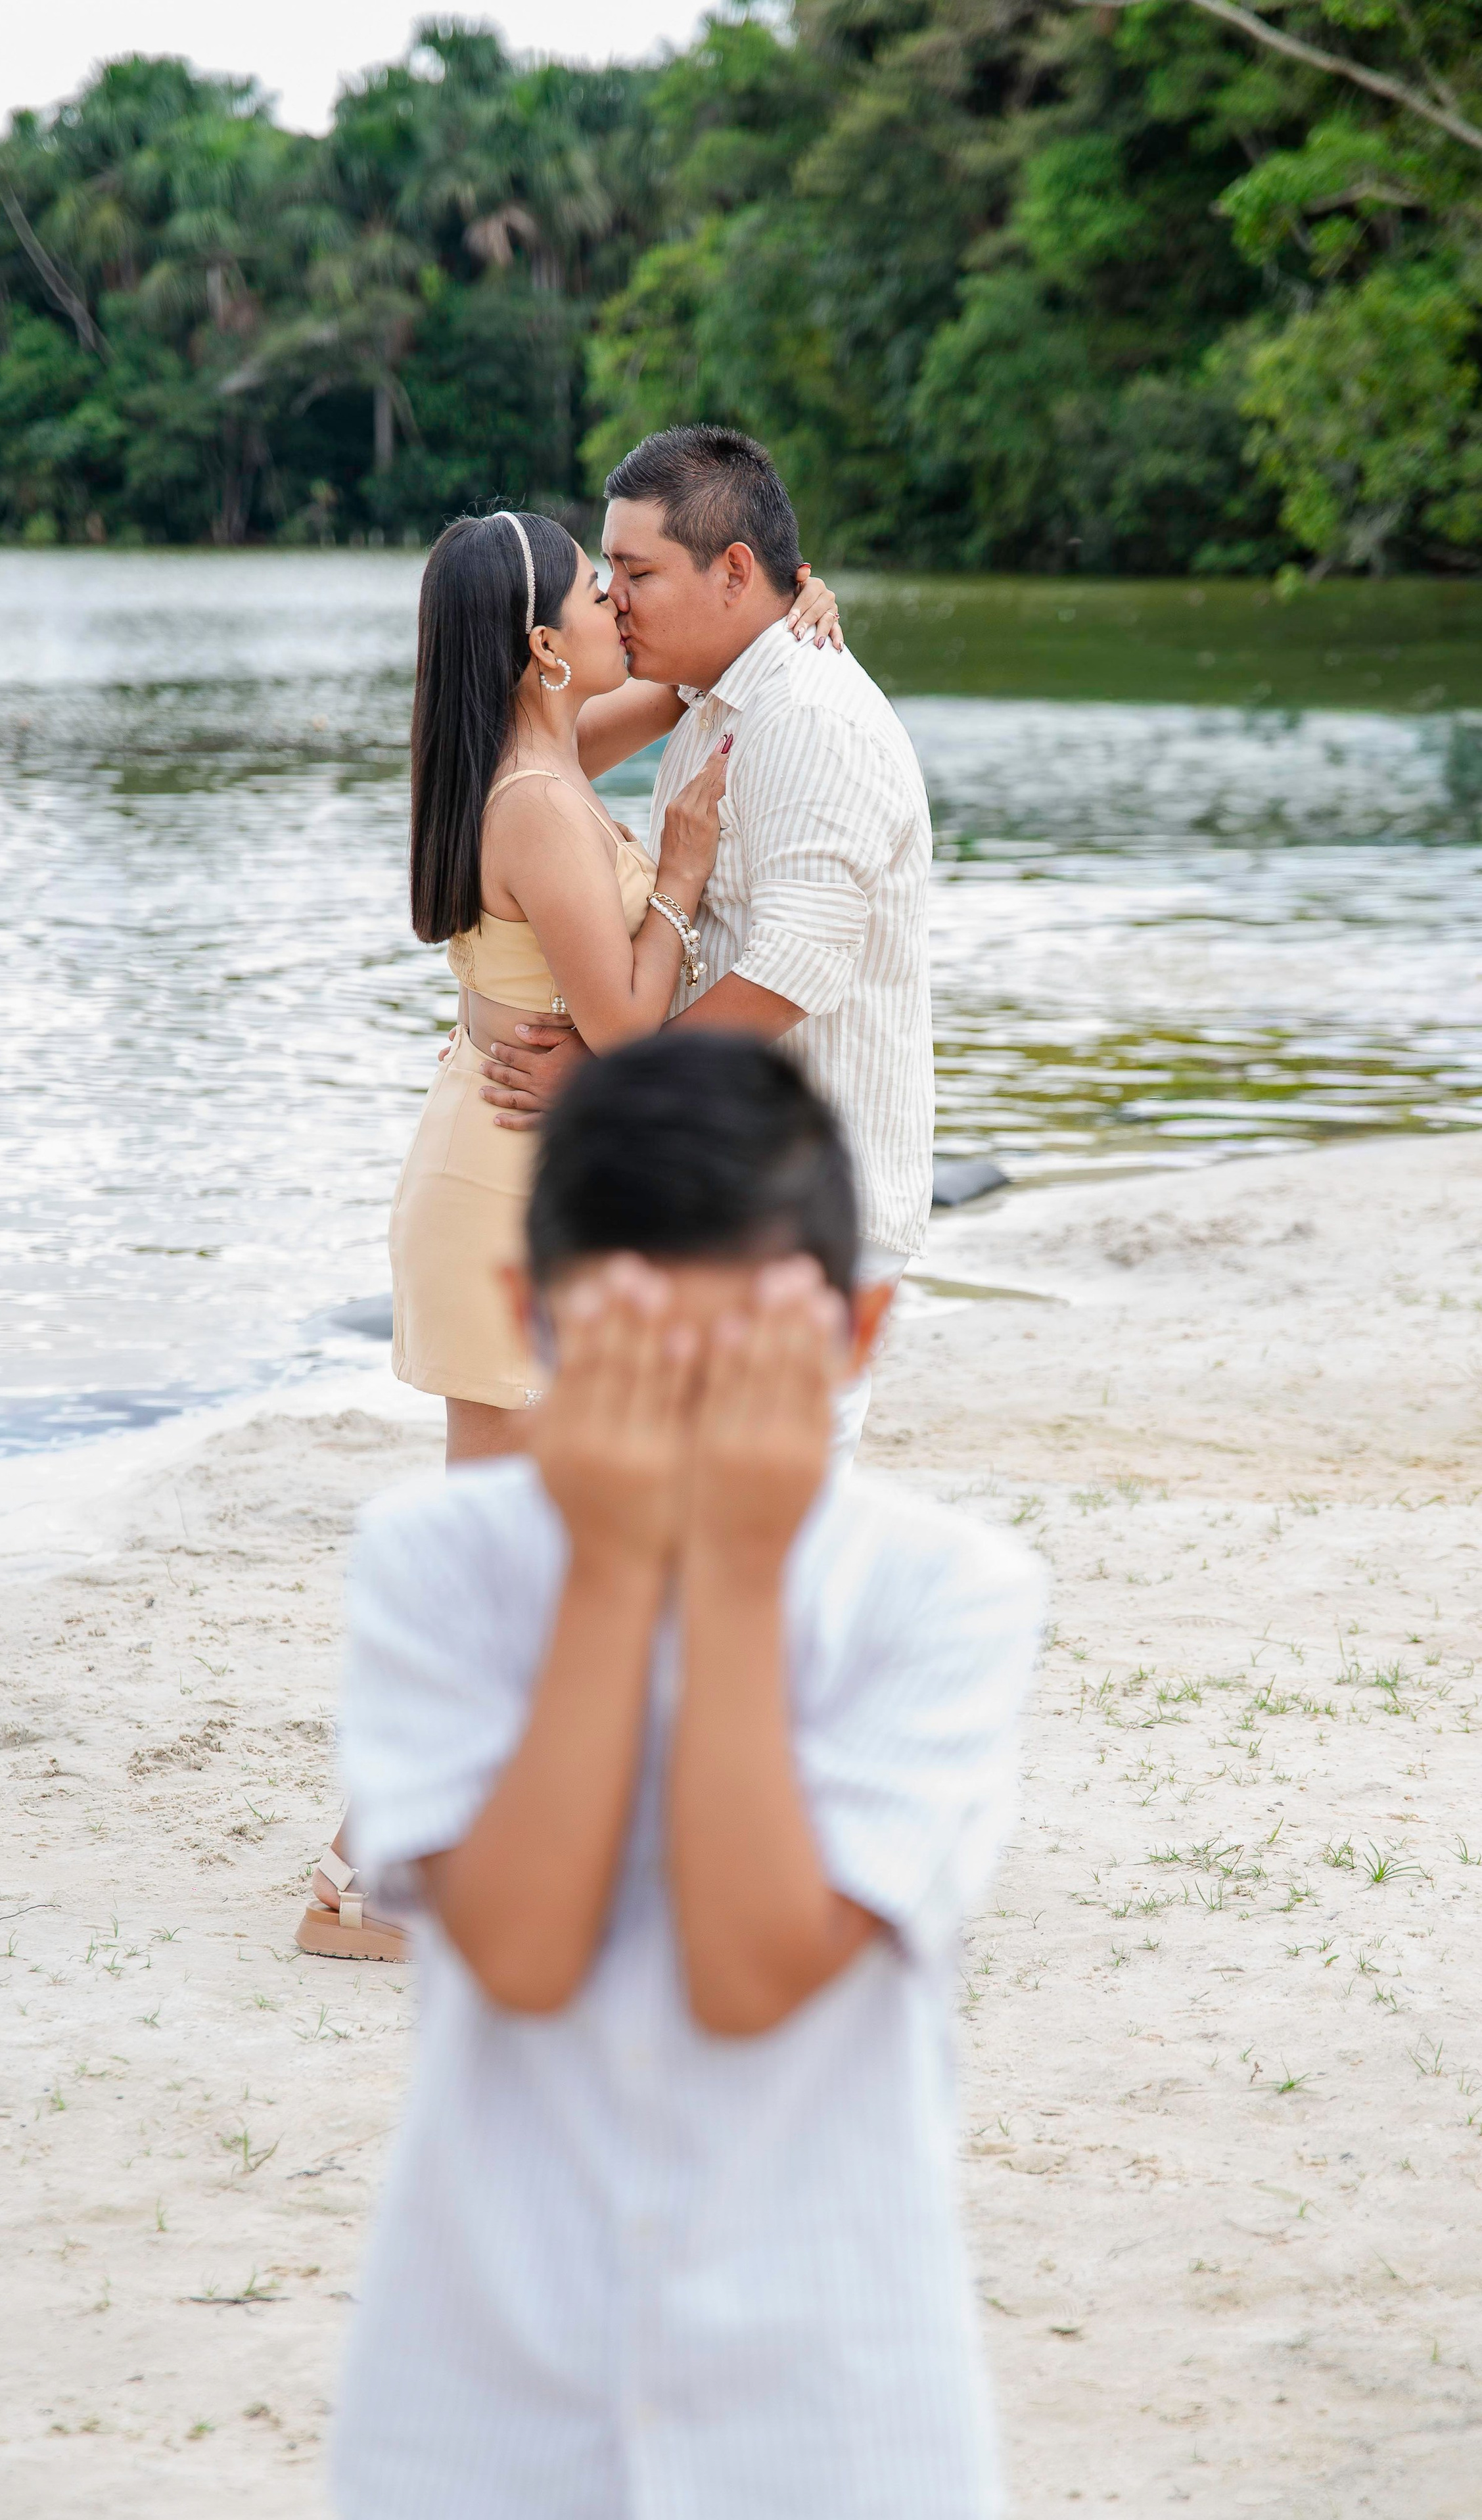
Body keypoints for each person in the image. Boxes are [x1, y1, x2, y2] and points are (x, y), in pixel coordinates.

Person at [329, 1032, 1043, 2520]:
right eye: (637, 1362)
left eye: (732, 1365)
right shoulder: (437, 1565)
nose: (685, 1416)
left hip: (830, 2404)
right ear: (530, 1320)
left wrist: (722, 1572)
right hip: (480, 2407)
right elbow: (519, 1956)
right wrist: (608, 1566)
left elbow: (747, 1970)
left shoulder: (939, 1593)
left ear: (851, 1336)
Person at [296, 511, 841, 1960]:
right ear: (545, 644)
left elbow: (672, 687)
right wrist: (679, 860)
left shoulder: (535, 755)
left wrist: (780, 608)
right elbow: (622, 1024)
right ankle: (367, 1872)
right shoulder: (538, 800)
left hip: (509, 1178)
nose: (622, 606)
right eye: (602, 593)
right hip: (503, 1200)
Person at [479, 425, 934, 1464]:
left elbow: (796, 964)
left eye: (635, 573)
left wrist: (604, 1079)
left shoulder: (811, 716)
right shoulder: (723, 694)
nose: (615, 600)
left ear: (734, 572)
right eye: (609, 578)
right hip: (726, 1182)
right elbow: (529, 761)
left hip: (802, 1199)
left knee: (771, 1523)